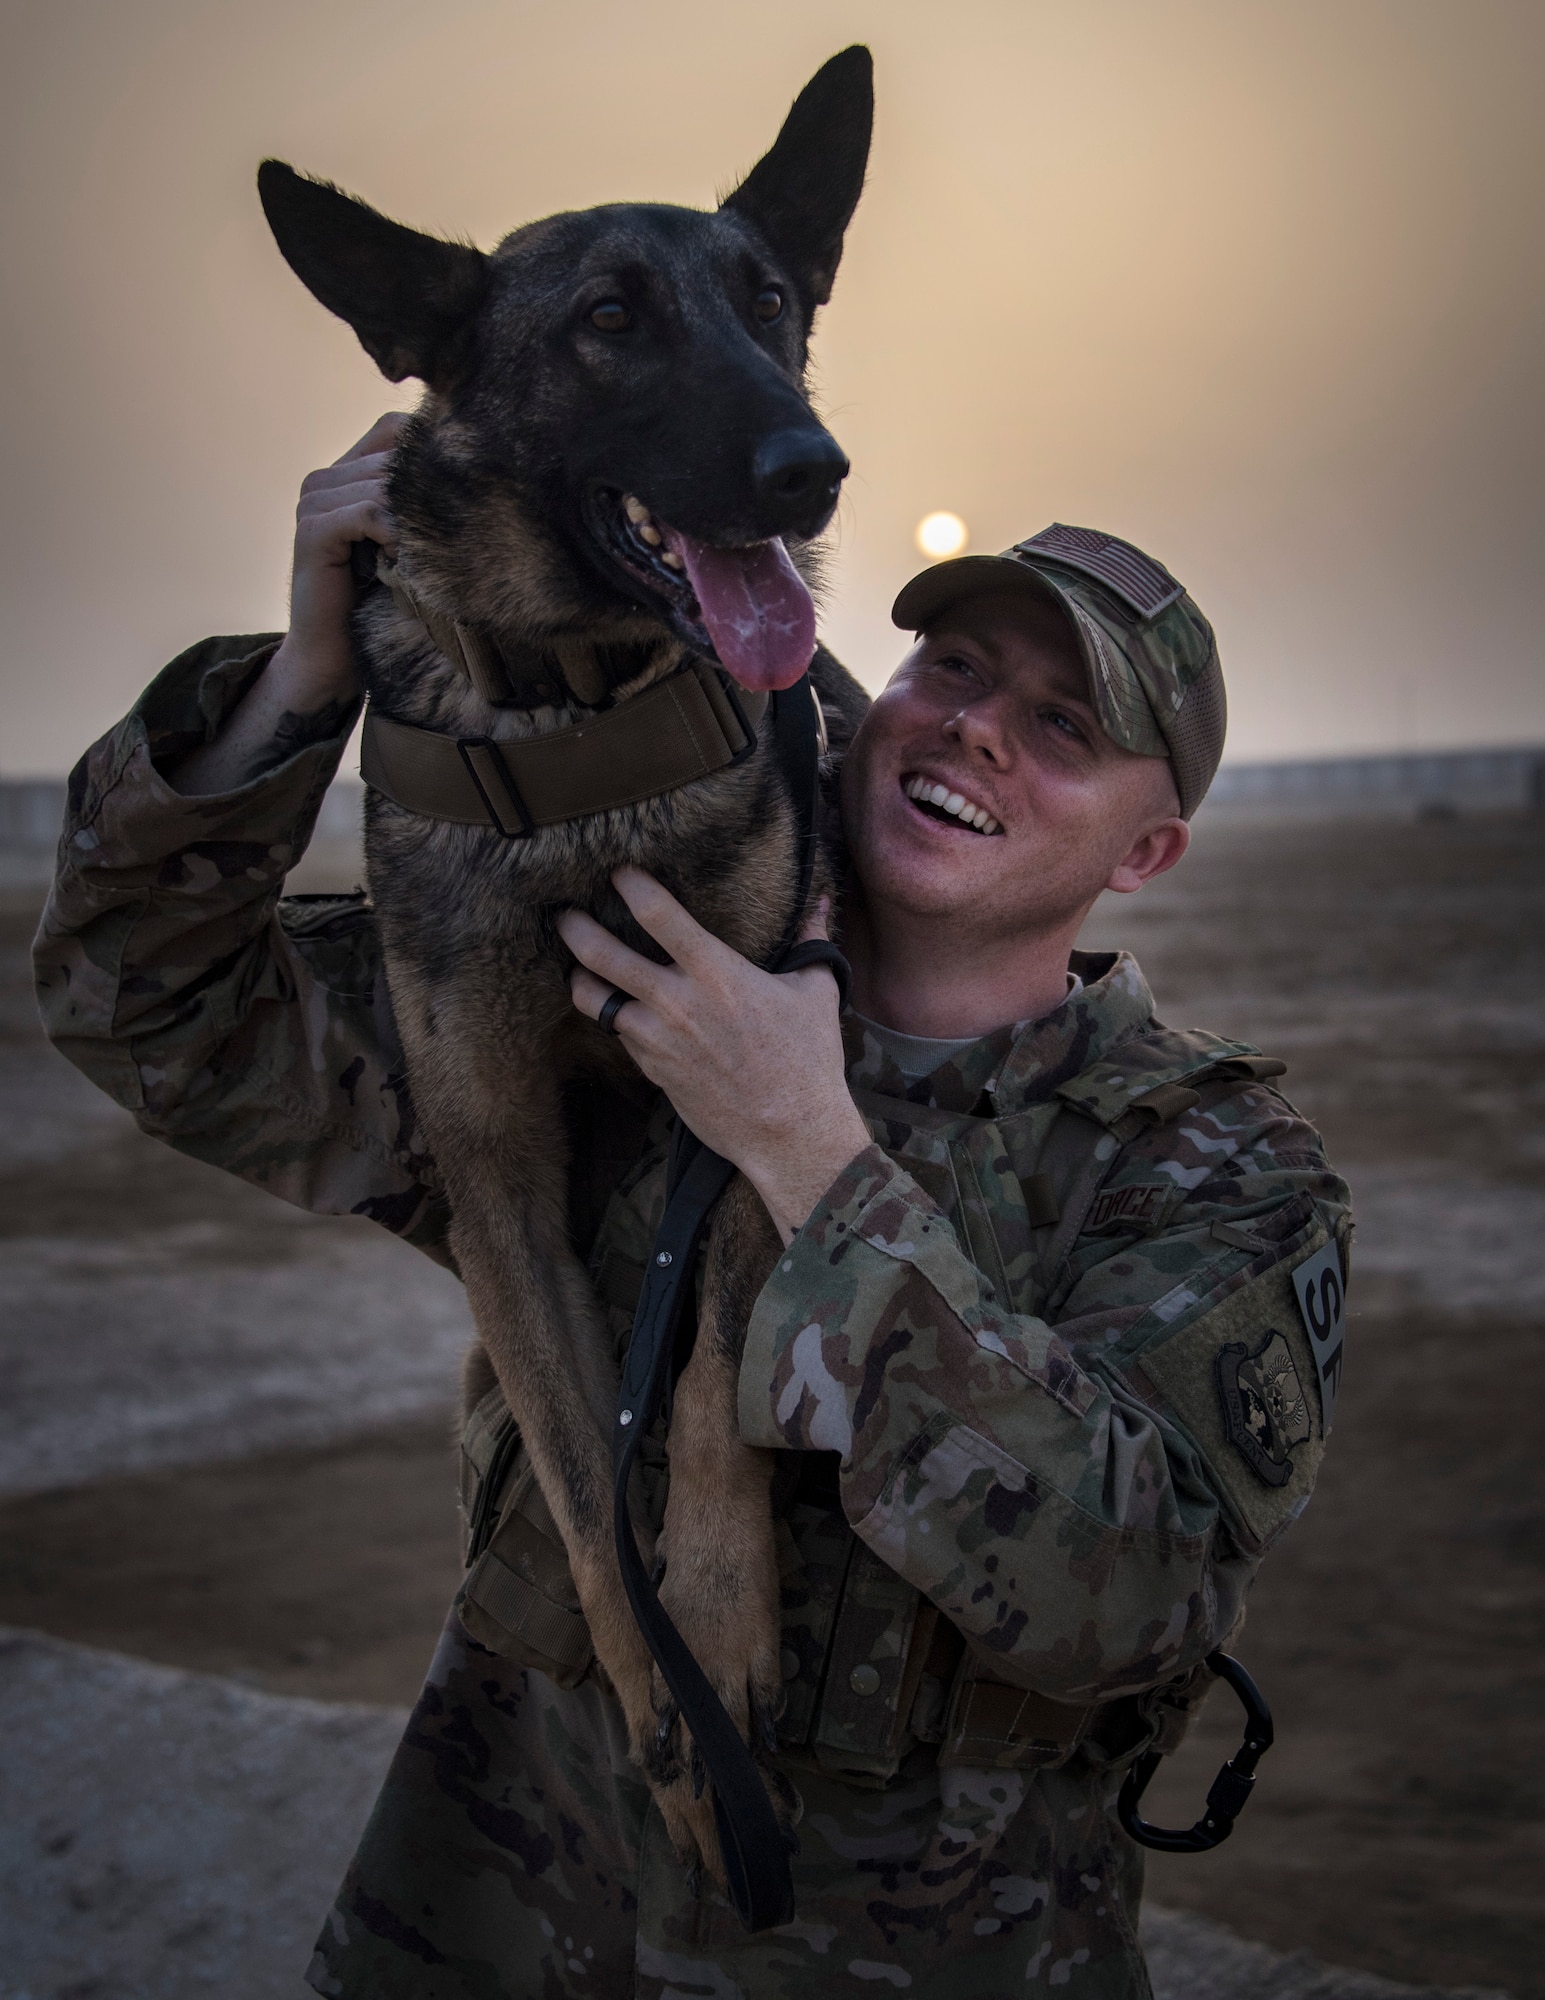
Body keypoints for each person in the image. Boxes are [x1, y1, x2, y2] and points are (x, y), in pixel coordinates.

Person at [34, 418, 1351, 1999]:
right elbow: (148, 1007)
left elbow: (1124, 1596)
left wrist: (806, 1148)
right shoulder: (611, 1007)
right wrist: (298, 686)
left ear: (1146, 850)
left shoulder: (1206, 1166)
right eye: (949, 672)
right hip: (496, 1923)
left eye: (1063, 723)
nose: (976, 730)